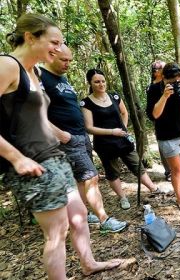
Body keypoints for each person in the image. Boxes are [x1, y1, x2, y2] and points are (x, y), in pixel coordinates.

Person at [0, 13, 123, 279]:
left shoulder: (34, 72)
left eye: (61, 43)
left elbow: (36, 117)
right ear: (30, 37)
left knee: (78, 215)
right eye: (53, 42)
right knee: (56, 231)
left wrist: (60, 134)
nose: (58, 49)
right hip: (31, 162)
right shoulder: (7, 65)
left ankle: (88, 263)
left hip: (54, 156)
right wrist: (16, 158)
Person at [41, 44, 127, 232]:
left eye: (70, 60)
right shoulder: (41, 77)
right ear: (50, 55)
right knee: (91, 177)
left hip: (80, 136)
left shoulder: (61, 78)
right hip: (68, 139)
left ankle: (84, 213)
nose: (68, 64)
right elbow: (35, 113)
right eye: (64, 60)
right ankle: (104, 220)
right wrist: (61, 135)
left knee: (82, 180)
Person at [81, 69, 159, 210]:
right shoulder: (86, 103)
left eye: (103, 81)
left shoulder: (114, 96)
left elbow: (124, 112)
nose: (101, 84)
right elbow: (89, 127)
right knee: (112, 171)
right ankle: (123, 198)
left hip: (122, 139)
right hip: (104, 143)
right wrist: (112, 132)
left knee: (136, 164)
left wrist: (122, 128)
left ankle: (153, 188)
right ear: (90, 83)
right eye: (97, 82)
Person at [146, 62, 180, 210]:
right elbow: (154, 114)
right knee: (176, 170)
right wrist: (164, 96)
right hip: (168, 138)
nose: (174, 82)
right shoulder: (154, 89)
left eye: (177, 78)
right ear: (163, 77)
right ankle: (179, 198)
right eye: (171, 79)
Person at [147, 60, 171, 181]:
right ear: (156, 72)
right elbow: (151, 111)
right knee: (163, 147)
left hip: (173, 120)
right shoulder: (152, 88)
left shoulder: (168, 83)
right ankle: (168, 171)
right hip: (161, 122)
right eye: (162, 68)